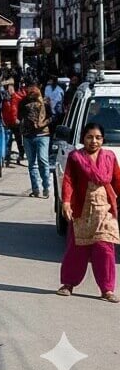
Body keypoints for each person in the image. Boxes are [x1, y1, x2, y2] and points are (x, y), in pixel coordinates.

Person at [56, 122, 120, 302]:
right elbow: (68, 180)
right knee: (77, 248)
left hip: (105, 210)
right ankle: (68, 283)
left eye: (98, 138)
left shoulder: (109, 157)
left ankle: (107, 289)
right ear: (83, 138)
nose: (94, 141)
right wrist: (66, 202)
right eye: (90, 137)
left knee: (105, 249)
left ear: (103, 139)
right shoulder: (75, 157)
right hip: (82, 209)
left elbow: (117, 180)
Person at [19, 86, 52, 199]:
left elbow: (52, 117)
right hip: (28, 136)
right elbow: (20, 116)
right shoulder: (23, 103)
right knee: (33, 163)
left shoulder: (45, 104)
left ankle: (46, 187)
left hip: (42, 135)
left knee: (43, 161)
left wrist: (42, 124)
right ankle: (36, 189)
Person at [0, 83, 19, 165]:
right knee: (8, 140)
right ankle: (6, 157)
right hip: (9, 123)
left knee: (11, 140)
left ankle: (8, 157)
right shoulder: (6, 102)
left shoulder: (12, 100)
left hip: (11, 123)